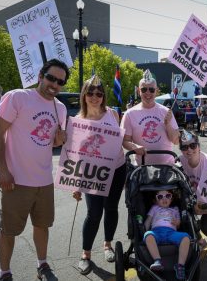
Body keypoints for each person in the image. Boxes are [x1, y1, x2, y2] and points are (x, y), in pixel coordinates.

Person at [0, 59, 69, 281]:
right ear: (40, 76)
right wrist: (2, 170)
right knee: (8, 231)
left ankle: (42, 264)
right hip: (16, 180)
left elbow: (51, 142)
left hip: (44, 181)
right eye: (51, 78)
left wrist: (59, 140)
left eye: (60, 81)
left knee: (42, 225)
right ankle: (4, 272)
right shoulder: (18, 97)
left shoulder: (60, 108)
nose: (54, 84)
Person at [72, 75, 126, 275]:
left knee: (111, 208)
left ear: (103, 96)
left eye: (99, 93)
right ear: (84, 95)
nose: (95, 97)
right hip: (92, 173)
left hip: (117, 168)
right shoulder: (77, 120)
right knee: (94, 213)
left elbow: (119, 140)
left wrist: (135, 147)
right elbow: (75, 155)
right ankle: (86, 254)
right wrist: (76, 184)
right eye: (91, 93)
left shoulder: (112, 114)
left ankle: (107, 244)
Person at [178, 130, 207, 263]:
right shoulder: (178, 162)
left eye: (192, 145)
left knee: (206, 227)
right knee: (181, 218)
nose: (189, 150)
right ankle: (199, 240)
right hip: (192, 201)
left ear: (198, 146)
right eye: (184, 147)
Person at [121, 69, 179, 165]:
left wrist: (168, 124)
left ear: (156, 91)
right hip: (142, 168)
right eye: (144, 89)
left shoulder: (166, 112)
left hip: (167, 167)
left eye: (151, 90)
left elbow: (176, 141)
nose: (148, 93)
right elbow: (125, 141)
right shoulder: (130, 114)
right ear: (138, 91)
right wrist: (134, 147)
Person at [144, 189, 190, 280]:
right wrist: (144, 230)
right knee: (148, 235)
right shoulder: (154, 208)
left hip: (171, 232)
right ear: (155, 200)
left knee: (186, 237)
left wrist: (176, 222)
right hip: (156, 232)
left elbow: (178, 223)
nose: (164, 199)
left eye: (168, 196)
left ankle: (180, 266)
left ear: (171, 198)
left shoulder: (175, 209)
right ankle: (157, 261)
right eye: (160, 197)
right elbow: (148, 221)